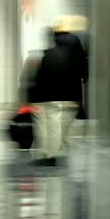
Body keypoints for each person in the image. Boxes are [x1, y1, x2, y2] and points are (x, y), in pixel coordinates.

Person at [32, 26, 87, 166]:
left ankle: (51, 155)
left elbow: (40, 78)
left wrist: (34, 99)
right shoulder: (77, 58)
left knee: (50, 126)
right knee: (60, 127)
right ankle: (57, 151)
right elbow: (82, 79)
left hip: (50, 98)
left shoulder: (49, 55)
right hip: (70, 99)